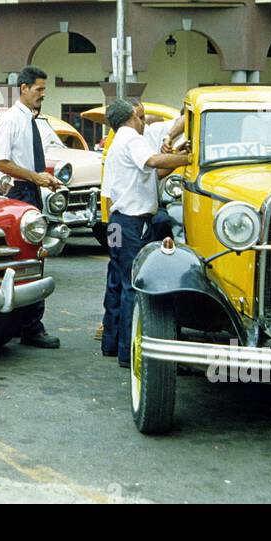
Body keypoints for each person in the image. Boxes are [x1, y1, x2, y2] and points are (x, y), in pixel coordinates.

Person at [101, 99, 192, 368]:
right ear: (131, 116)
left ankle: (111, 340)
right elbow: (153, 160)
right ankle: (128, 352)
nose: (144, 122)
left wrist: (175, 155)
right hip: (132, 223)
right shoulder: (131, 138)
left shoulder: (118, 141)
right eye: (141, 117)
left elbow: (154, 172)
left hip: (116, 221)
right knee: (133, 284)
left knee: (117, 280)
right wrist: (188, 158)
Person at [0, 66, 63, 349]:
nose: (43, 95)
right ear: (24, 89)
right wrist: (34, 177)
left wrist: (43, 178)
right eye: (39, 90)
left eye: (44, 90)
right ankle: (31, 326)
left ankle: (23, 322)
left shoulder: (27, 119)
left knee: (30, 256)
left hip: (29, 189)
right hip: (20, 194)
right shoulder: (13, 120)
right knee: (30, 258)